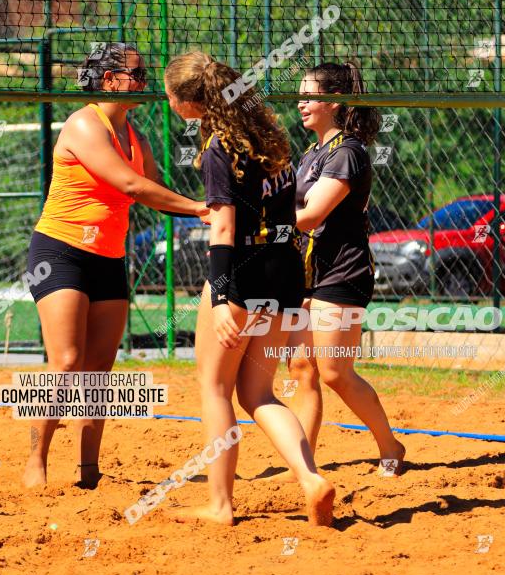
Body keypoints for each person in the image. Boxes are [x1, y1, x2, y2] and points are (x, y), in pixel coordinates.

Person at [24, 42, 208, 488]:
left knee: (97, 375)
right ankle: (37, 460)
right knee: (66, 363)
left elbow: (157, 188)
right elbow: (132, 185)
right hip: (59, 253)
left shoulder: (135, 137)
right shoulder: (85, 124)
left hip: (108, 258)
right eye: (138, 75)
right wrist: (203, 209)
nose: (145, 83)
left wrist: (213, 201)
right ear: (109, 81)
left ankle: (89, 470)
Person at [163, 51, 335, 526]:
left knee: (215, 390)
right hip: (282, 274)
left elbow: (222, 231)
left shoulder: (222, 148)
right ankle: (309, 478)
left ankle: (220, 505)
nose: (170, 102)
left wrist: (221, 298)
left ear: (190, 101)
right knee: (259, 393)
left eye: (171, 94)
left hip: (241, 275)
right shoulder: (271, 137)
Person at [283, 62, 405, 478]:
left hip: (343, 272)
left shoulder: (348, 151)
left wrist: (253, 215)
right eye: (299, 94)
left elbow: (312, 214)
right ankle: (304, 464)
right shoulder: (312, 153)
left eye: (309, 95)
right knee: (302, 368)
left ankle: (390, 446)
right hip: (309, 273)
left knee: (335, 371)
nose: (300, 102)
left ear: (334, 102)